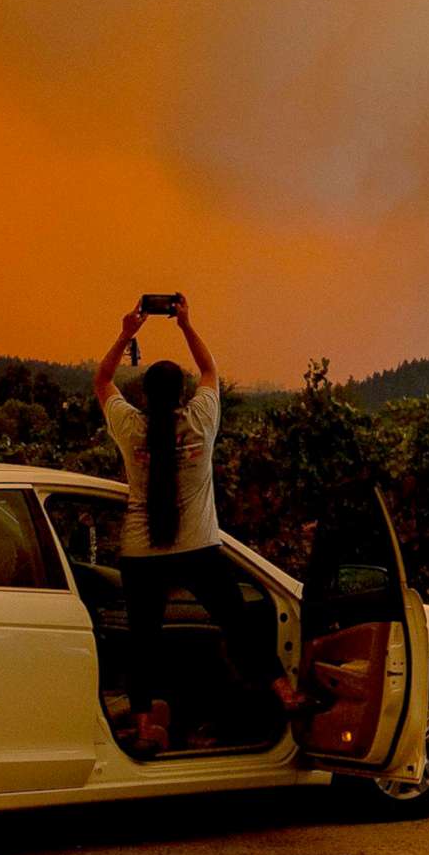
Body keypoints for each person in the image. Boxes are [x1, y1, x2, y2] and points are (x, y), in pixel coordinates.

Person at [92, 297, 296, 755]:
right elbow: (211, 371)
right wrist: (186, 324)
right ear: (183, 394)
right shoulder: (201, 422)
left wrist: (127, 332)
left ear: (144, 395)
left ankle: (144, 728)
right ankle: (287, 695)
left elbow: (103, 381)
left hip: (141, 554)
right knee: (239, 624)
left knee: (144, 643)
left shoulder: (130, 426)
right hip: (198, 548)